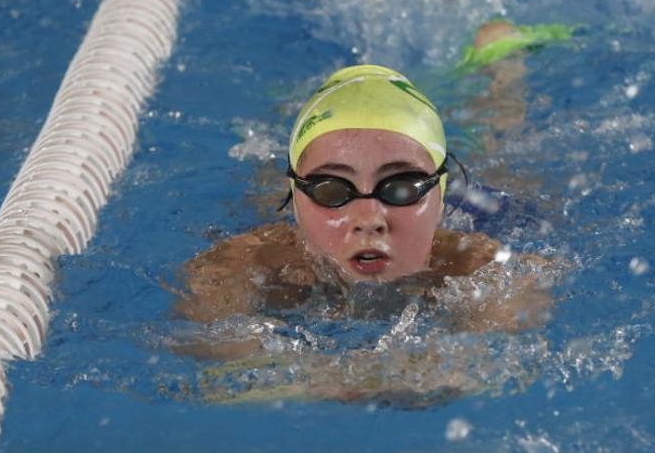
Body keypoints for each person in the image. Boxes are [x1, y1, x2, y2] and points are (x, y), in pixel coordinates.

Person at [175, 64, 560, 403]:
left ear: (440, 196)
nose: (368, 218)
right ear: (295, 199)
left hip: (485, 209)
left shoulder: (480, 265)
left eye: (402, 186)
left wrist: (326, 380)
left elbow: (497, 364)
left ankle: (503, 69)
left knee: (502, 141)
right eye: (331, 189)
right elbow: (213, 362)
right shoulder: (245, 262)